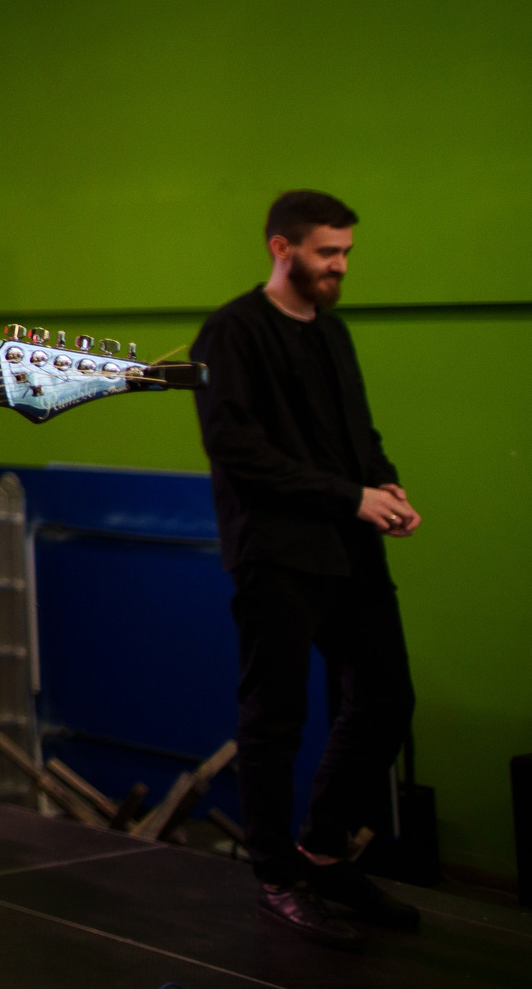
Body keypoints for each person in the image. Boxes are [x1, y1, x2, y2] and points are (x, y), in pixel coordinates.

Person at [190, 189, 422, 951]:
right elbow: (239, 452)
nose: (340, 266)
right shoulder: (230, 333)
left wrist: (384, 486)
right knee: (275, 716)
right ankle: (275, 875)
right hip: (277, 554)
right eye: (328, 252)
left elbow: (359, 428)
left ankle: (322, 850)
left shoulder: (334, 331)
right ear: (280, 248)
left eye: (346, 252)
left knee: (387, 695)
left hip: (350, 546)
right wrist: (347, 495)